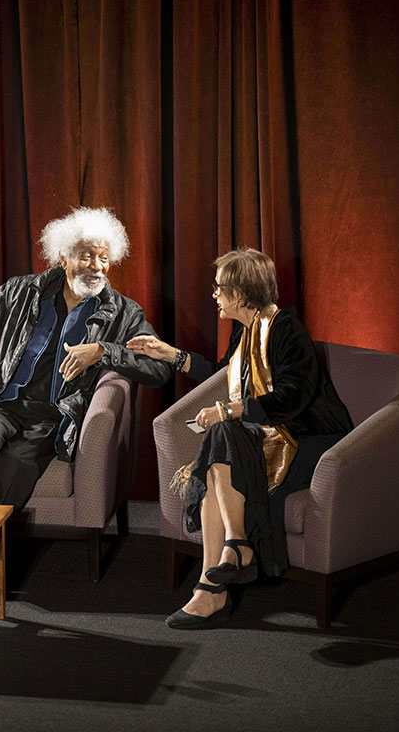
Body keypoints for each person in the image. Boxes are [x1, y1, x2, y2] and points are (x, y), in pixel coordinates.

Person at [0, 206, 173, 591]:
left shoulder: (123, 313)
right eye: (86, 255)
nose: (96, 266)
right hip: (4, 403)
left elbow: (159, 369)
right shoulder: (23, 292)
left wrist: (105, 352)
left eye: (104, 258)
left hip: (55, 417)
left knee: (14, 469)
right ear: (63, 256)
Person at [127, 247, 354, 629]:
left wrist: (229, 411)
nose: (214, 294)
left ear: (242, 292)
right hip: (266, 435)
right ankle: (231, 554)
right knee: (221, 444)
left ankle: (211, 589)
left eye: (220, 288)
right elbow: (225, 375)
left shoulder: (286, 330)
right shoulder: (244, 331)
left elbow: (293, 396)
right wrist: (171, 355)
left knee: (222, 434)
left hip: (313, 440)